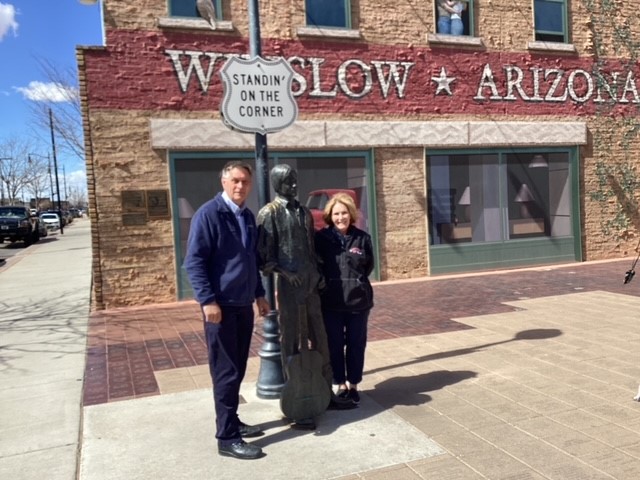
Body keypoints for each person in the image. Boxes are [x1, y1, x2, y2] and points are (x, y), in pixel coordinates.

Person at [257, 164, 355, 430]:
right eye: (288, 181)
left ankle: (327, 392)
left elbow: (311, 249)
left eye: (295, 180)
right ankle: (296, 399)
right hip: (290, 288)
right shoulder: (269, 213)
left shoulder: (303, 212)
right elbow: (263, 258)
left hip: (311, 285)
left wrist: (318, 271)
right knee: (290, 340)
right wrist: (285, 273)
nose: (293, 185)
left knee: (321, 338)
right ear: (277, 184)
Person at [184, 161, 269, 461]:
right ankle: (227, 438)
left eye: (245, 181)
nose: (240, 186)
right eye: (235, 180)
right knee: (226, 371)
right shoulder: (209, 214)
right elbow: (194, 262)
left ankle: (231, 420)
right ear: (223, 182)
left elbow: (250, 261)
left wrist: (259, 294)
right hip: (219, 308)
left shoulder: (246, 216)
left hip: (242, 305)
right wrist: (208, 301)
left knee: (238, 368)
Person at [314, 193, 374, 404]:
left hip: (358, 303)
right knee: (335, 345)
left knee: (356, 345)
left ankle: (354, 384)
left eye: (344, 213)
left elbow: (367, 267)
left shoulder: (362, 238)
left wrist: (356, 283)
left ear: (351, 214)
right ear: (330, 216)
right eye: (336, 214)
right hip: (331, 303)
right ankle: (340, 383)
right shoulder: (321, 239)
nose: (340, 218)